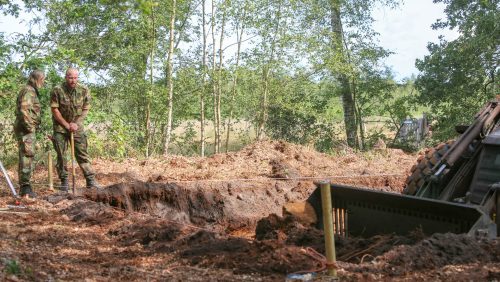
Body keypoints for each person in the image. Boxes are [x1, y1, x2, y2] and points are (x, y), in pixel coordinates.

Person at [50, 67, 101, 190]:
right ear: (66, 77)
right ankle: (64, 181)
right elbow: (54, 110)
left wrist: (76, 123)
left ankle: (90, 180)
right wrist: (66, 125)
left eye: (75, 78)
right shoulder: (57, 90)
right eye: (70, 77)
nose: (73, 80)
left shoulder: (83, 90)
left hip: (77, 127)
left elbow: (86, 108)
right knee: (61, 155)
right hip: (60, 127)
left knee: (82, 153)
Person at [14, 70, 45, 198]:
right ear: (36, 79)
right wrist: (30, 127)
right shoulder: (29, 91)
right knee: (27, 155)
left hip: (27, 128)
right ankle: (25, 188)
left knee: (27, 155)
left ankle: (26, 186)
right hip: (26, 129)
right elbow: (24, 110)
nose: (43, 82)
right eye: (42, 80)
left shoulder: (30, 90)